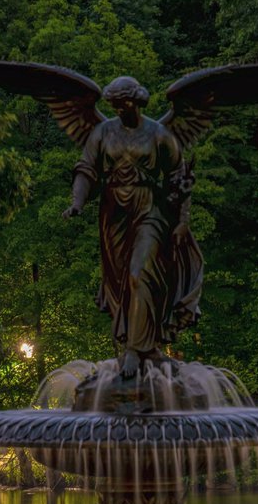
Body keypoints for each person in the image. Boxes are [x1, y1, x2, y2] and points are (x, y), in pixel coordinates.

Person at [64, 76, 203, 379]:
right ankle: (148, 348)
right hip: (113, 213)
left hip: (149, 208)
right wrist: (77, 202)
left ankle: (134, 351)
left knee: (140, 274)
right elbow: (86, 168)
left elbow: (181, 177)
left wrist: (182, 222)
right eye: (114, 104)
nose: (119, 108)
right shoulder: (103, 132)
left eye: (124, 102)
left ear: (137, 100)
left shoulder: (159, 133)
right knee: (122, 284)